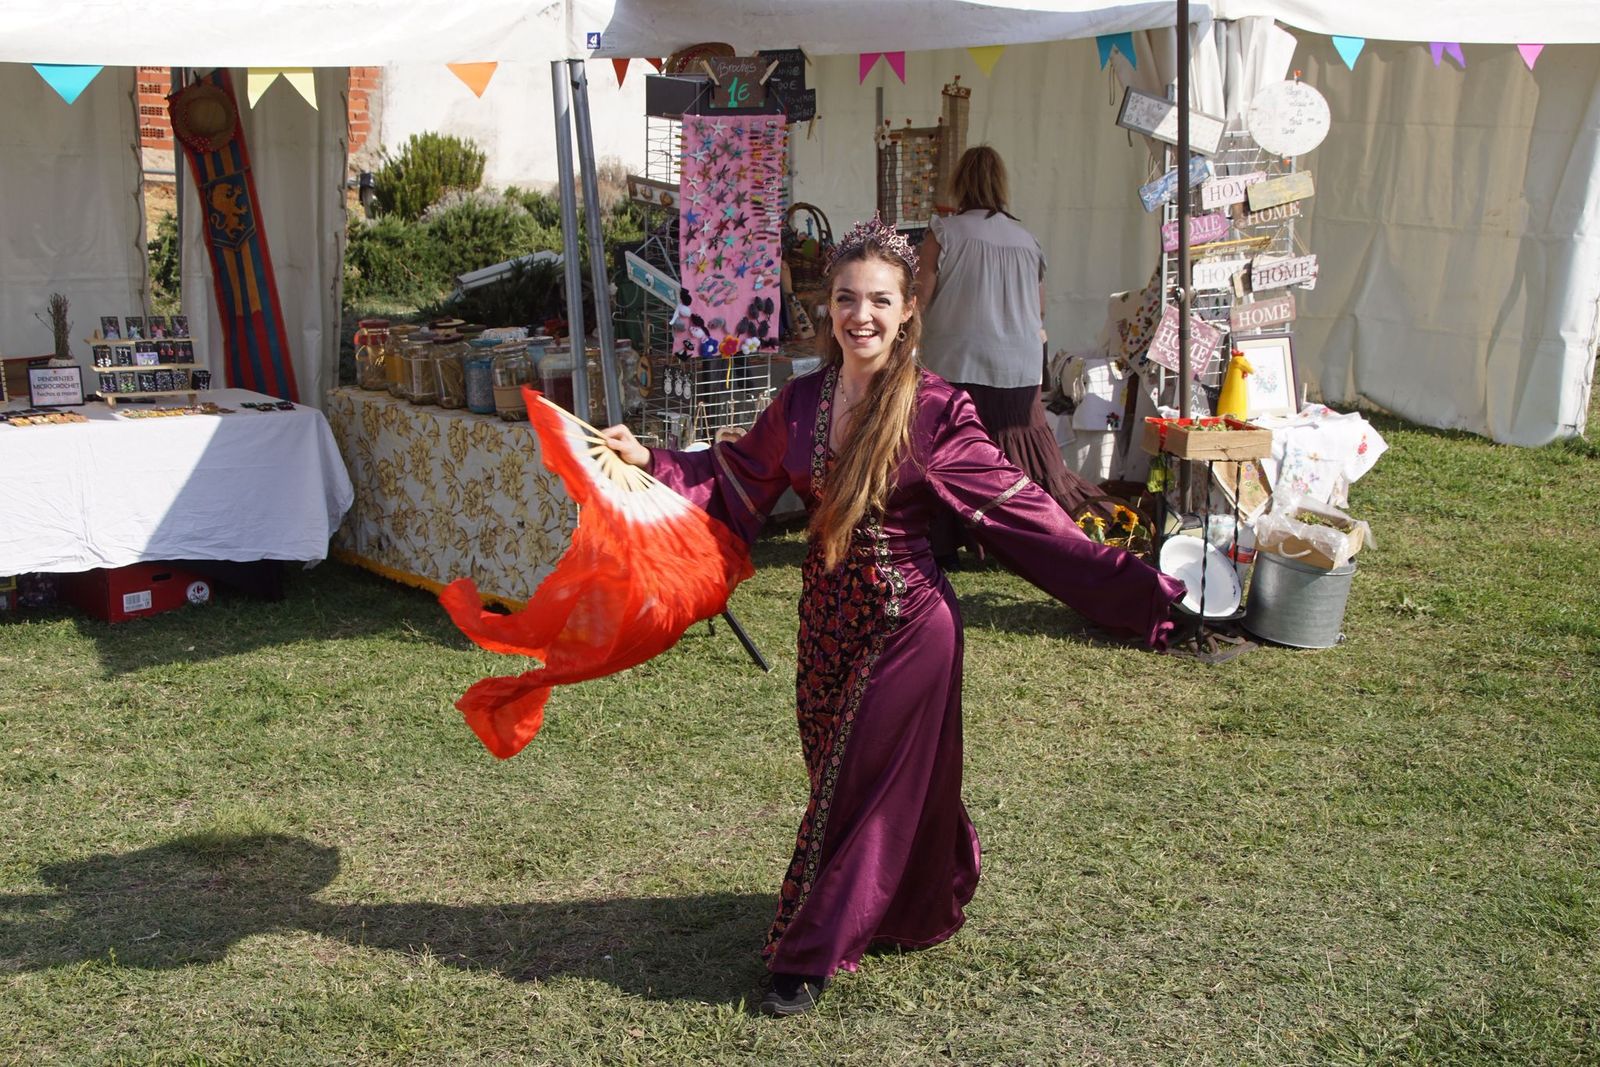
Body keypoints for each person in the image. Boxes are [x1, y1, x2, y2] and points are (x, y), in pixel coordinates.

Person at [600, 216, 1183, 1017]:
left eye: (880, 300)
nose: (861, 316)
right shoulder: (803, 401)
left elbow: (1028, 520)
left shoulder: (937, 412)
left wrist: (1141, 591)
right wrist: (656, 462)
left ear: (911, 308)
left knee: (851, 789)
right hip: (826, 621)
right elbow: (736, 475)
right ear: (828, 306)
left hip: (909, 626)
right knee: (849, 776)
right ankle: (913, 896)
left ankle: (806, 953)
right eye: (846, 299)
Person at [915, 145, 1103, 568]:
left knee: (950, 450)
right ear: (1002, 185)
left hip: (957, 362)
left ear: (959, 183)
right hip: (1018, 365)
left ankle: (949, 539)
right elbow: (1039, 311)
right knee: (1017, 452)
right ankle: (1037, 532)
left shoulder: (943, 233)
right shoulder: (1026, 240)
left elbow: (920, 298)